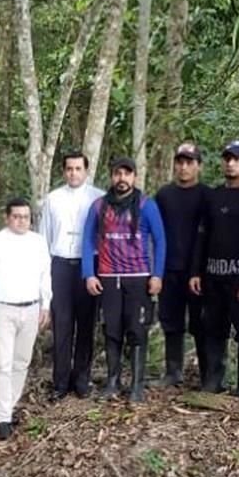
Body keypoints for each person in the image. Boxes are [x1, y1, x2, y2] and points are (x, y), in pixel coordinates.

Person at [190, 140, 239, 397]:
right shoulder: (213, 196)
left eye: (237, 158)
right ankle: (214, 379)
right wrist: (195, 272)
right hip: (213, 277)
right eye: (227, 158)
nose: (231, 163)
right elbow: (201, 236)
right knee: (213, 329)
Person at [82, 157, 166, 402]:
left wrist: (158, 275)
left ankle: (137, 385)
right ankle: (112, 381)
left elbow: (161, 241)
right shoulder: (99, 206)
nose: (122, 178)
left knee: (137, 329)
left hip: (139, 276)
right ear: (111, 176)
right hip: (108, 276)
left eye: (127, 174)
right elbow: (87, 241)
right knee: (111, 330)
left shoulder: (146, 205)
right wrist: (89, 273)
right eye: (117, 173)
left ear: (135, 177)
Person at [0, 197, 52, 440]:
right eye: (16, 216)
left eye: (25, 217)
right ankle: (2, 418)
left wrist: (45, 304)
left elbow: (44, 275)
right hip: (1, 308)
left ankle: (9, 406)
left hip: (30, 308)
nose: (21, 221)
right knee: (1, 364)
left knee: (21, 362)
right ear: (7, 218)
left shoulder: (38, 243)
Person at [38, 152, 104, 400]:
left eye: (78, 168)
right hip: (61, 266)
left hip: (89, 266)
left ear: (86, 171)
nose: (74, 173)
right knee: (62, 325)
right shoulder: (53, 199)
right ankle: (60, 382)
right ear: (64, 171)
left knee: (86, 324)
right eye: (69, 169)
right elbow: (44, 238)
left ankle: (82, 380)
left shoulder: (98, 198)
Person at [152, 143, 209, 387]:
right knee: (171, 322)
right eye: (180, 162)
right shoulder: (164, 195)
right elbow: (153, 233)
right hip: (169, 268)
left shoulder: (208, 196)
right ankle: (173, 372)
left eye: (189, 162)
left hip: (199, 272)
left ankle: (209, 375)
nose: (184, 167)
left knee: (201, 324)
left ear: (198, 166)